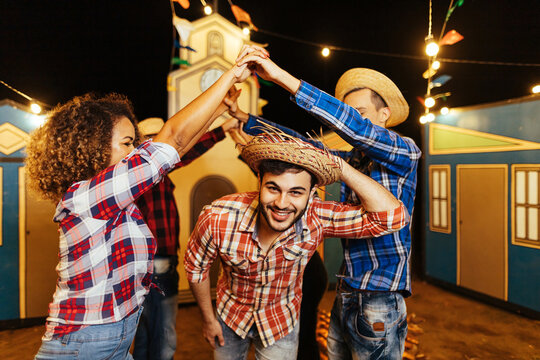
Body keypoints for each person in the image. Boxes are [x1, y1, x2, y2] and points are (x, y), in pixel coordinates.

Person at [26, 54, 254, 360]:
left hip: (113, 343)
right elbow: (174, 138)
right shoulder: (87, 196)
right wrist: (232, 74)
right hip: (82, 345)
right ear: (95, 146)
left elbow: (180, 147)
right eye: (128, 142)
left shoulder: (114, 196)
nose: (137, 151)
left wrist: (221, 109)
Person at [229, 46, 422, 359]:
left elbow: (357, 129)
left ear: (383, 115)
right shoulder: (355, 160)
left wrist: (281, 78)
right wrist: (247, 120)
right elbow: (306, 146)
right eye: (348, 114)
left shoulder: (405, 152)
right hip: (347, 290)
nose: (349, 124)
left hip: (380, 297)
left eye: (360, 113)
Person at [183, 126, 409, 360]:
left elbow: (393, 218)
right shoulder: (218, 217)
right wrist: (209, 320)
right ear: (259, 181)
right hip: (229, 316)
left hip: (281, 322)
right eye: (273, 188)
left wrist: (340, 167)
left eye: (296, 192)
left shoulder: (317, 217)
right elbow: (195, 268)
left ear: (312, 194)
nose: (282, 203)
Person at [132, 115, 240, 360]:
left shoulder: (142, 173)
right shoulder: (148, 168)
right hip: (156, 264)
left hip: (146, 265)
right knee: (164, 336)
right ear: (147, 143)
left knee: (146, 333)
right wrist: (222, 129)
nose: (169, 146)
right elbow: (188, 149)